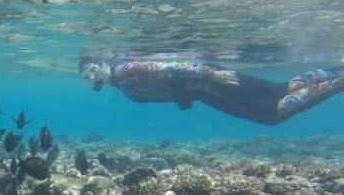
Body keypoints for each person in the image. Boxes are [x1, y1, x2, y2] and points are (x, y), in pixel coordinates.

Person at [79, 55, 344, 125]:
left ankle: (338, 81)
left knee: (272, 114)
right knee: (280, 88)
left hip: (212, 87)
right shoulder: (123, 79)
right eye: (86, 76)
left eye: (92, 69)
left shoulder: (126, 71)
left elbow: (169, 65)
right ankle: (337, 70)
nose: (92, 77)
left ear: (102, 63)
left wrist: (213, 75)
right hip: (212, 81)